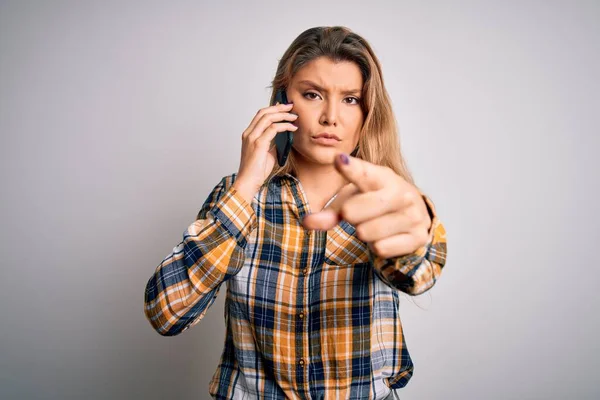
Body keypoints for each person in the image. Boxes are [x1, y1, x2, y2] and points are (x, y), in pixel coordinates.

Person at [144, 26, 448, 400]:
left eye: (350, 99)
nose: (330, 117)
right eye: (312, 94)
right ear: (282, 102)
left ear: (368, 111)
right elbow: (167, 312)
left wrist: (420, 229)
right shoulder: (237, 197)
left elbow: (418, 271)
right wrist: (245, 186)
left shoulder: (381, 199)